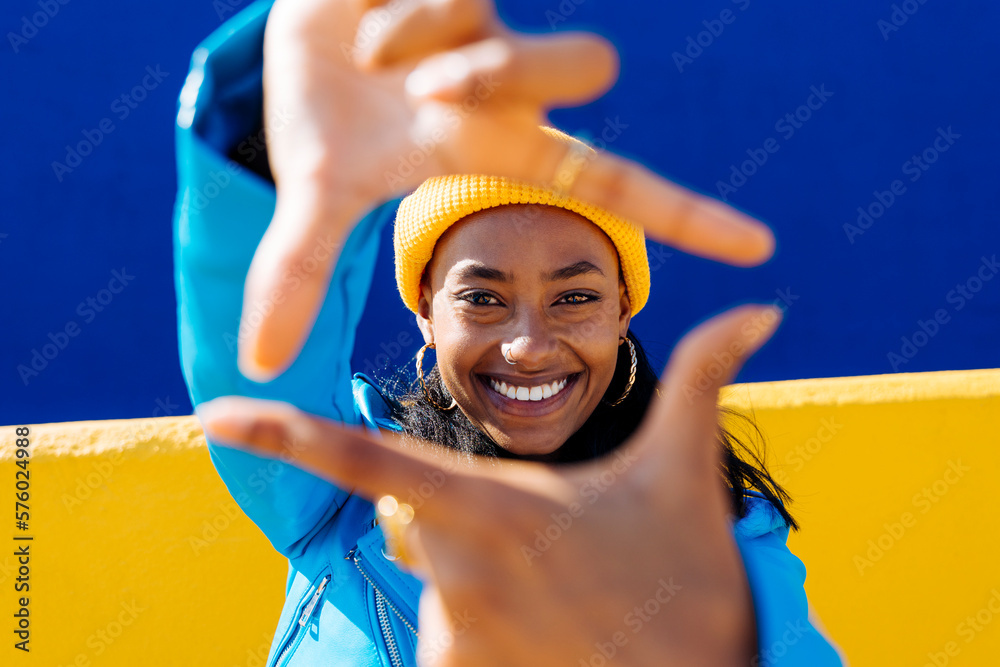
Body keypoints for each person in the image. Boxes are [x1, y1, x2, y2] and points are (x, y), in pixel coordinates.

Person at [177, 0, 844, 664]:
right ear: (425, 313)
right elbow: (255, 366)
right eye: (484, 299)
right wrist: (273, 134)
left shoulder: (720, 540)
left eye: (574, 297)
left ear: (623, 312)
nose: (528, 344)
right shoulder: (344, 499)